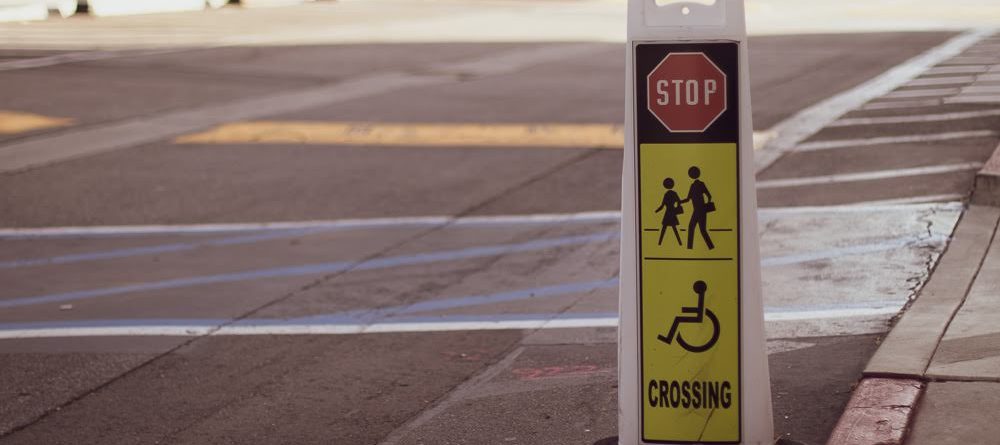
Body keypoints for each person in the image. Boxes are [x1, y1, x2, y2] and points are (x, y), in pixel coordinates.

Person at [681, 166, 715, 250]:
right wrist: (706, 204)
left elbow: (688, 199)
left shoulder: (694, 185)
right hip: (698, 210)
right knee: (695, 228)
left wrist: (680, 202)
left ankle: (710, 246)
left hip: (699, 210)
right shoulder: (698, 185)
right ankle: (690, 247)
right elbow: (709, 196)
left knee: (699, 229)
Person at [654, 177, 683, 246]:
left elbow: (662, 205)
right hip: (672, 212)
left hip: (668, 213)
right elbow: (679, 202)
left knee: (664, 228)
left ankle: (660, 243)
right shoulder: (674, 193)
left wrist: (656, 211)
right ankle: (680, 243)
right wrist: (677, 207)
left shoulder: (666, 194)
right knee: (673, 228)